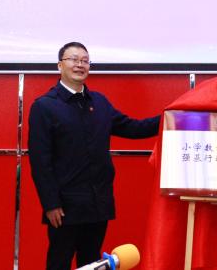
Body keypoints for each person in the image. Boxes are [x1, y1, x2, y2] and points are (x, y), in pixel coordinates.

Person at [28, 41, 161, 270]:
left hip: (98, 202)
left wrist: (170, 117)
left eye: (85, 61)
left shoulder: (99, 102)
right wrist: (51, 203)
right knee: (59, 261)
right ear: (60, 65)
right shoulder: (45, 106)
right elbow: (40, 161)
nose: (80, 65)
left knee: (93, 263)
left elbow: (134, 128)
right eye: (74, 59)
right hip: (65, 207)